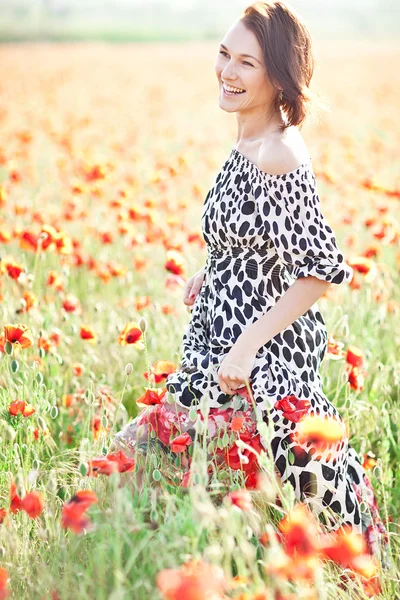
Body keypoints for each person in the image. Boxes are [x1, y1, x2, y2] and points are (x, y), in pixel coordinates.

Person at [111, 0, 389, 565]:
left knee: (272, 478)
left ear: (280, 77)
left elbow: (318, 270)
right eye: (223, 54)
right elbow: (252, 239)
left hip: (257, 357)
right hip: (218, 343)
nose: (226, 71)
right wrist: (210, 272)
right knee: (207, 474)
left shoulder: (279, 152)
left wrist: (244, 349)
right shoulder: (246, 144)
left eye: (246, 63)